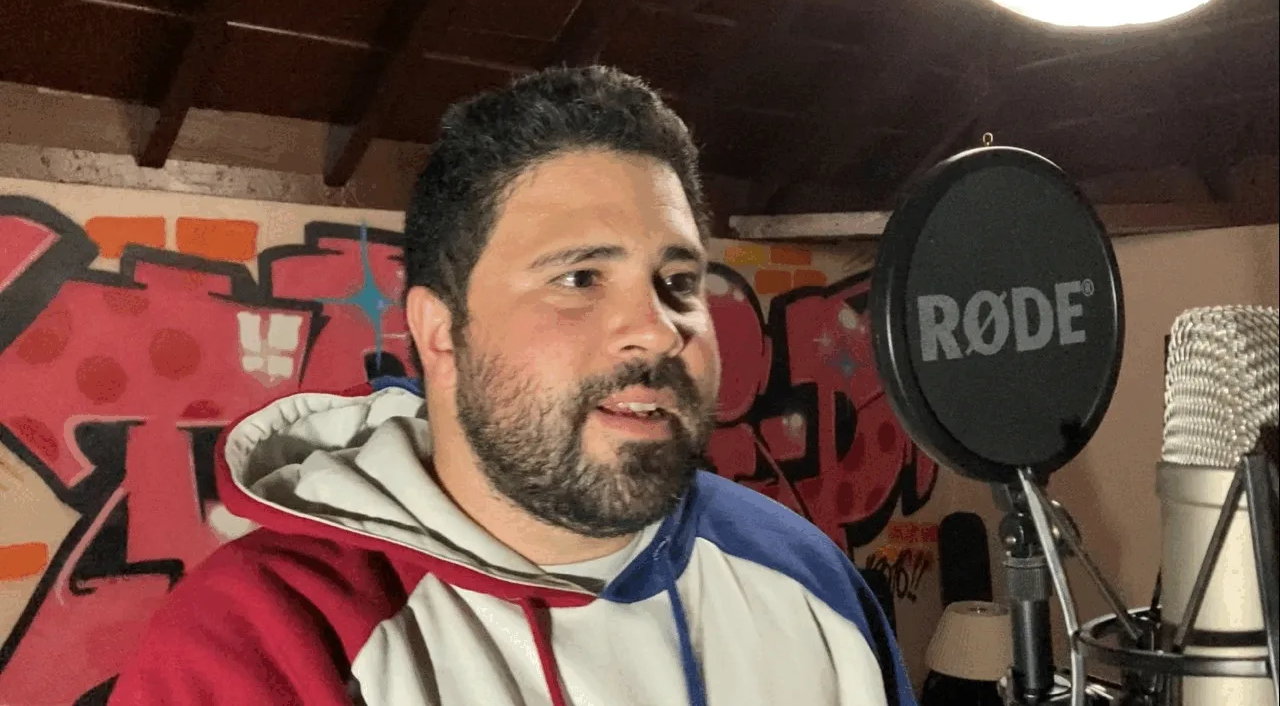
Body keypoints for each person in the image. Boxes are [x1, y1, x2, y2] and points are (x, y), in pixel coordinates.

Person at [108, 65, 916, 706]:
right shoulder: (263, 638)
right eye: (580, 277)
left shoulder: (801, 574)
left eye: (678, 281)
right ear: (440, 332)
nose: (658, 329)